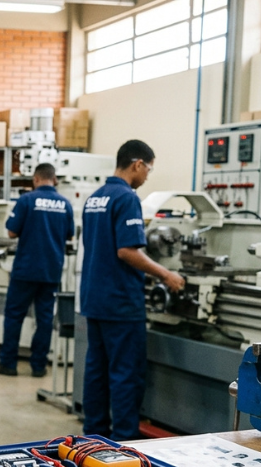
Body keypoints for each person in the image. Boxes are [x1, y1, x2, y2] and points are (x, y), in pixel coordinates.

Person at [80, 140, 184, 440]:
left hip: (94, 299)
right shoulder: (127, 198)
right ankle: (125, 439)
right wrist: (167, 275)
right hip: (121, 302)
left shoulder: (95, 198)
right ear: (137, 163)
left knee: (96, 373)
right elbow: (127, 250)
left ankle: (94, 437)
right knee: (125, 375)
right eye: (148, 170)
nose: (147, 177)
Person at [0, 163, 74, 378]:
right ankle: (38, 366)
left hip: (26, 269)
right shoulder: (65, 204)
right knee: (45, 319)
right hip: (52, 270)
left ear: (36, 179)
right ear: (53, 179)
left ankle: (8, 363)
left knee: (15, 315)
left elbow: (10, 233)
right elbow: (70, 235)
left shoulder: (27, 200)